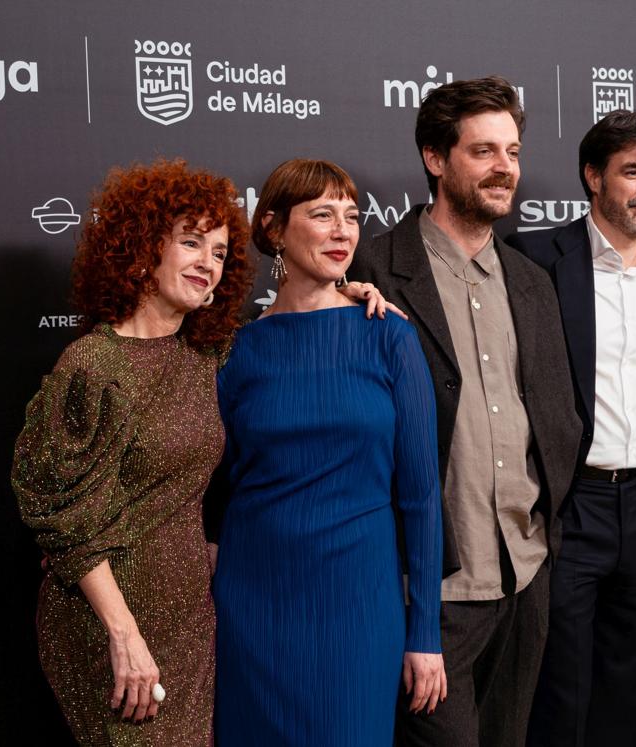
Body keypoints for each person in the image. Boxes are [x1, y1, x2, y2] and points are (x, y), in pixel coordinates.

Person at [351, 76, 581, 747]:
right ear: (435, 157)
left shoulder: (532, 280)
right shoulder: (372, 269)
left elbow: (557, 416)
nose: (504, 167)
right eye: (483, 151)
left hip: (525, 576)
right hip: (430, 591)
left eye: (511, 151)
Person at [12, 159, 254, 745]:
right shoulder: (92, 366)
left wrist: (347, 290)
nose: (207, 263)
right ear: (144, 250)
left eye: (219, 252)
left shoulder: (203, 357)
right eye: (191, 242)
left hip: (190, 619)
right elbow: (63, 517)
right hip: (110, 624)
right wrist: (124, 634)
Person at [207, 158, 444, 745]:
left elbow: (420, 495)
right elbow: (218, 481)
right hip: (253, 597)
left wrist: (426, 634)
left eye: (351, 216)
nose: (343, 231)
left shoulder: (388, 334)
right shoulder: (238, 350)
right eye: (322, 215)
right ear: (274, 229)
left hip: (358, 601)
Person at [507, 109, 636, 747]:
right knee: (562, 687)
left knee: (631, 684)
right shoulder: (535, 258)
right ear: (592, 176)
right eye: (632, 171)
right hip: (568, 505)